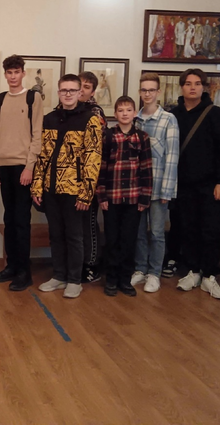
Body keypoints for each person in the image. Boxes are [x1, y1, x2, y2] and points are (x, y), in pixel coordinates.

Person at [32, 74, 102, 299]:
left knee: (74, 236)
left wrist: (86, 193)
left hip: (75, 190)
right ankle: (59, 275)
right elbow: (42, 156)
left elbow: (93, 158)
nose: (68, 94)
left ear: (80, 92)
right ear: (59, 92)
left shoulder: (90, 120)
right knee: (56, 235)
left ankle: (74, 280)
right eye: (64, 90)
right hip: (51, 188)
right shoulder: (50, 119)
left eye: (72, 90)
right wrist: (37, 186)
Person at [171, 69, 220, 300]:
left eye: (197, 83)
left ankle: (210, 275)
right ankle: (193, 271)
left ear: (204, 87)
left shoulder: (215, 114)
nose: (193, 87)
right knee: (188, 228)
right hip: (183, 184)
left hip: (210, 184)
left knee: (211, 230)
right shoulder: (173, 114)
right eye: (188, 83)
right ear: (182, 87)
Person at [0, 55, 43, 291]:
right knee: (9, 218)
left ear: (23, 73)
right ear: (5, 75)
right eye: (9, 73)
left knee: (21, 220)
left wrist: (30, 166)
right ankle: (11, 266)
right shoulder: (1, 98)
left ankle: (24, 272)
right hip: (3, 165)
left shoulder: (33, 97)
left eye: (16, 72)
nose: (13, 76)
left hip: (23, 166)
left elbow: (37, 134)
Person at [96, 96, 152, 297]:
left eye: (128, 110)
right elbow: (101, 167)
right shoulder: (108, 136)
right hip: (112, 198)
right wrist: (101, 195)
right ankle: (111, 278)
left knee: (129, 240)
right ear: (115, 114)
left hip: (133, 198)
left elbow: (146, 169)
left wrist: (145, 197)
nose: (125, 113)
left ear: (135, 113)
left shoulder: (142, 137)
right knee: (112, 239)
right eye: (121, 110)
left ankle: (125, 279)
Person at [131, 73, 179, 293]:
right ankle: (140, 269)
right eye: (144, 90)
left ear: (158, 92)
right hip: (137, 188)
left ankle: (154, 273)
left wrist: (167, 190)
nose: (147, 94)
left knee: (157, 233)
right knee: (139, 232)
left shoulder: (168, 119)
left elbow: (172, 156)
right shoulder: (135, 119)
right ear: (140, 92)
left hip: (159, 188)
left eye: (151, 90)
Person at [78, 71, 107, 284]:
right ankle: (77, 263)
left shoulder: (95, 113)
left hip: (89, 176)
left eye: (86, 87)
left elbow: (96, 149)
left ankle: (92, 264)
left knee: (88, 223)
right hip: (69, 177)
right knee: (74, 225)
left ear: (93, 92)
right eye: (79, 85)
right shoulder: (65, 109)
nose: (81, 90)